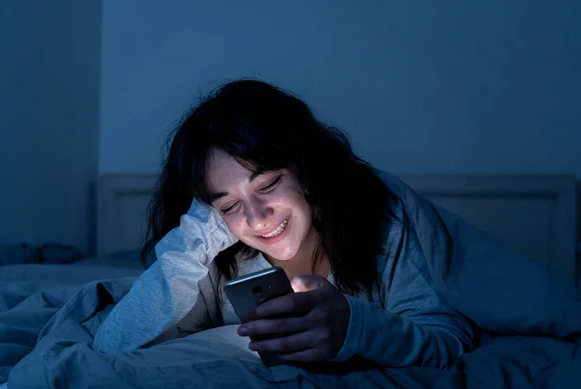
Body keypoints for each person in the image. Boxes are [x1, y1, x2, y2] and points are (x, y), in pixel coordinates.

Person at [92, 79, 475, 368]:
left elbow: (449, 342)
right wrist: (196, 235)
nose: (257, 218)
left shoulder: (382, 222)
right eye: (228, 205)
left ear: (306, 170)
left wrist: (358, 328)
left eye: (269, 184)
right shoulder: (211, 253)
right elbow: (112, 343)